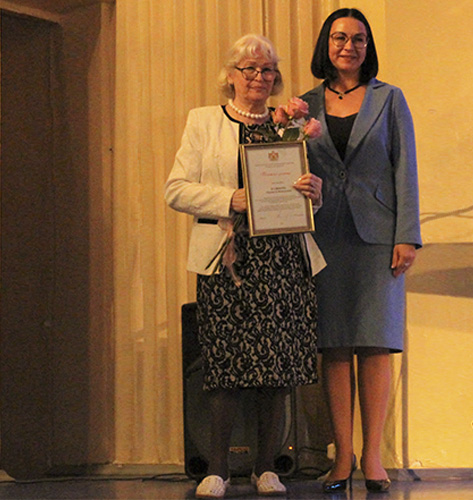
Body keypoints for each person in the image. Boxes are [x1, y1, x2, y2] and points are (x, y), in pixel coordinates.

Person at [165, 34, 326, 499]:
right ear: (231, 76)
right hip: (228, 257)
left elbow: (300, 194)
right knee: (225, 365)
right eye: (249, 68)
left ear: (276, 79)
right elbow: (175, 189)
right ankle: (217, 469)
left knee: (277, 365)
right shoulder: (204, 121)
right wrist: (228, 199)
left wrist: (315, 194)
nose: (259, 77)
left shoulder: (290, 126)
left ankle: (266, 468)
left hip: (282, 256)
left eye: (267, 69)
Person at [300, 8, 421, 494]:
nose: (348, 46)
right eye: (339, 37)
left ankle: (372, 457)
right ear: (325, 44)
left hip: (378, 237)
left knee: (374, 343)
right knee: (333, 346)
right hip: (323, 235)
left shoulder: (389, 98)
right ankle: (342, 456)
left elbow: (405, 167)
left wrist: (407, 234)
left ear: (368, 47)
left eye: (358, 39)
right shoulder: (304, 105)